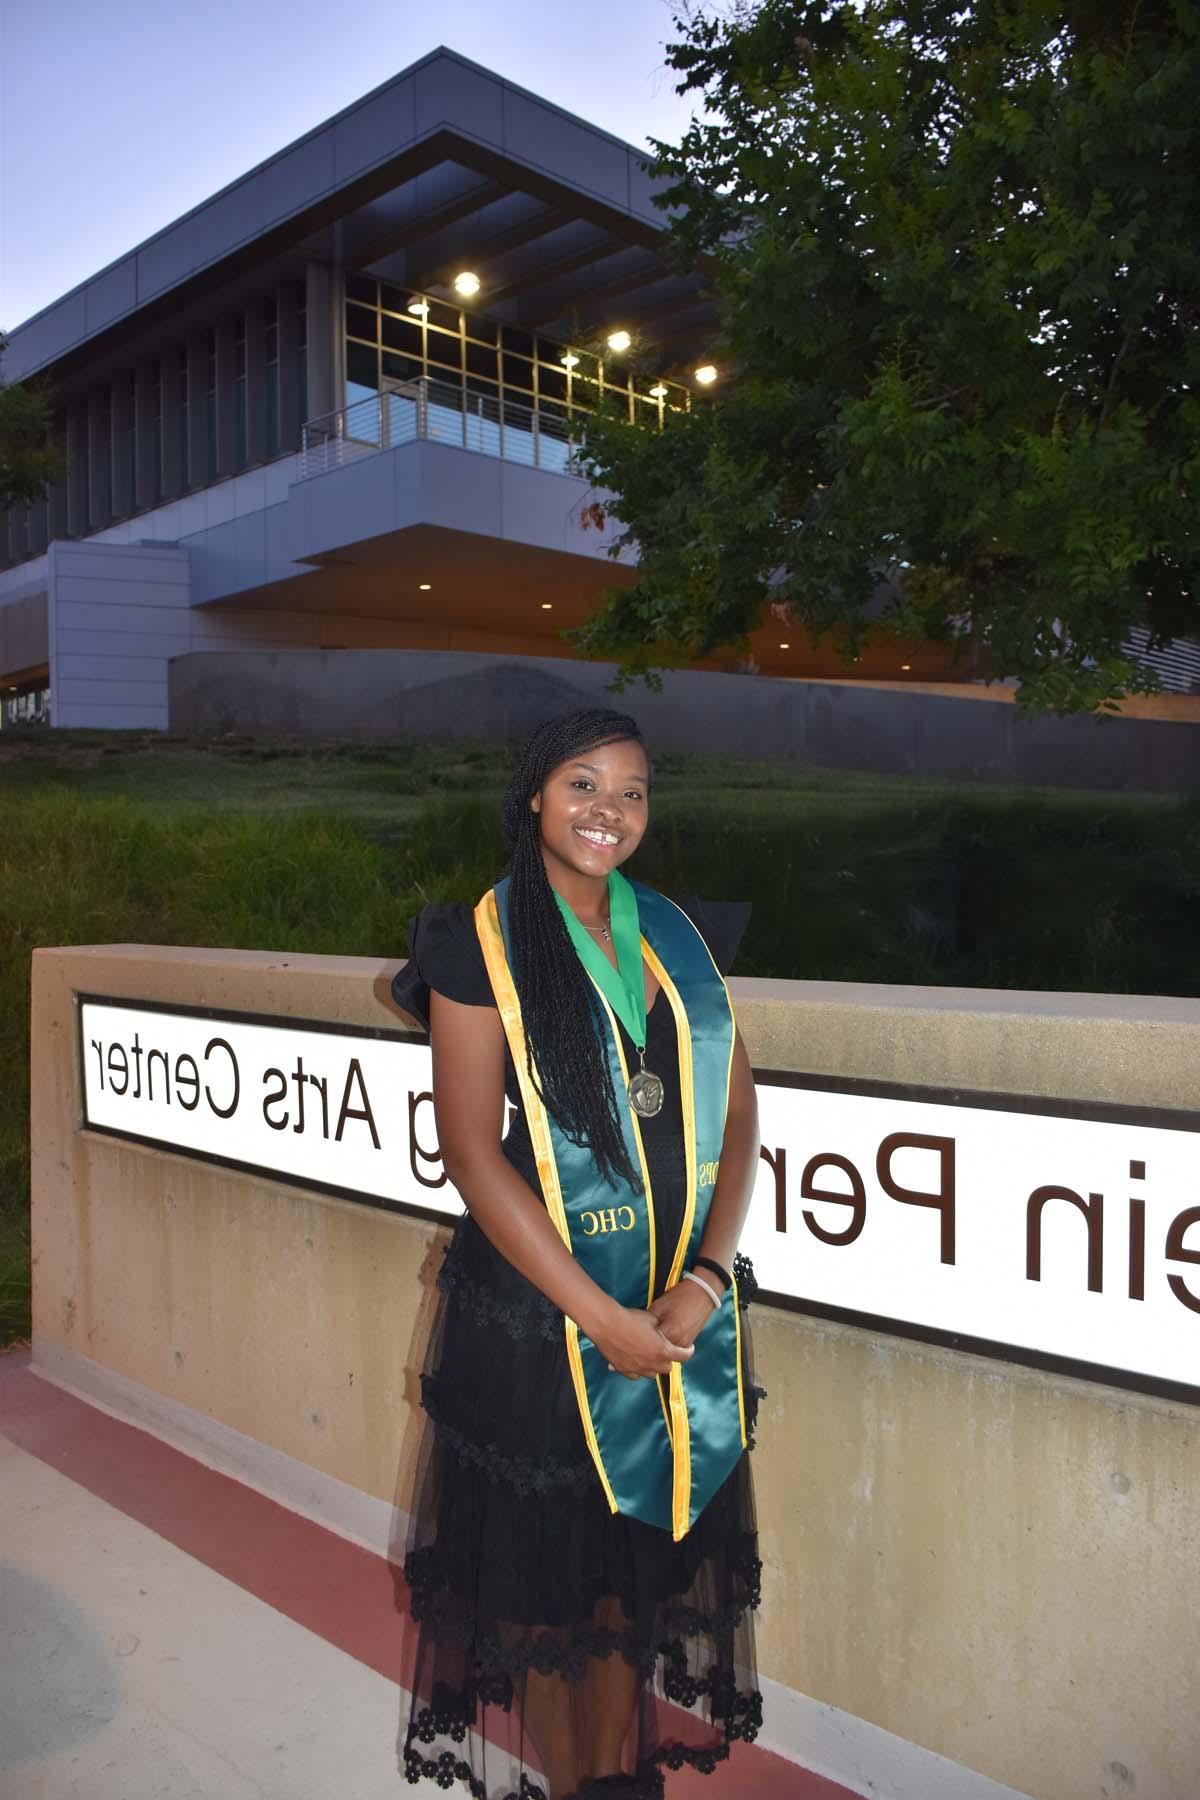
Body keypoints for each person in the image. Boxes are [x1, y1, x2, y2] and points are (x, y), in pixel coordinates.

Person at [391, 708, 764, 1800]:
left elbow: (738, 1115)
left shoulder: (681, 939)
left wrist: (706, 1275)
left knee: (623, 1590)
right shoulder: (481, 944)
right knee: (544, 1597)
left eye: (633, 791)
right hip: (541, 1315)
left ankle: (616, 1788)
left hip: (672, 1297)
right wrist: (598, 1320)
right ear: (535, 800)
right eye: (584, 786)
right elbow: (471, 1151)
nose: (610, 811)